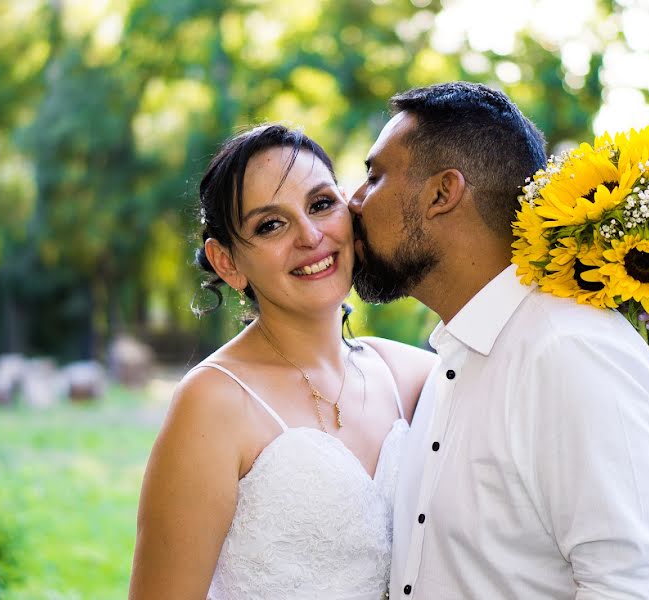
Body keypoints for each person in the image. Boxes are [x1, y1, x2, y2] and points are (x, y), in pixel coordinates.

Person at [349, 82, 649, 599]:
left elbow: (634, 588)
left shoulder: (571, 353)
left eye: (374, 176)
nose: (353, 201)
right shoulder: (454, 357)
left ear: (443, 193)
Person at [128, 124, 435, 599]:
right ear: (227, 263)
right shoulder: (213, 402)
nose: (311, 236)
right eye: (271, 225)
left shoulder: (410, 377)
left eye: (320, 204)